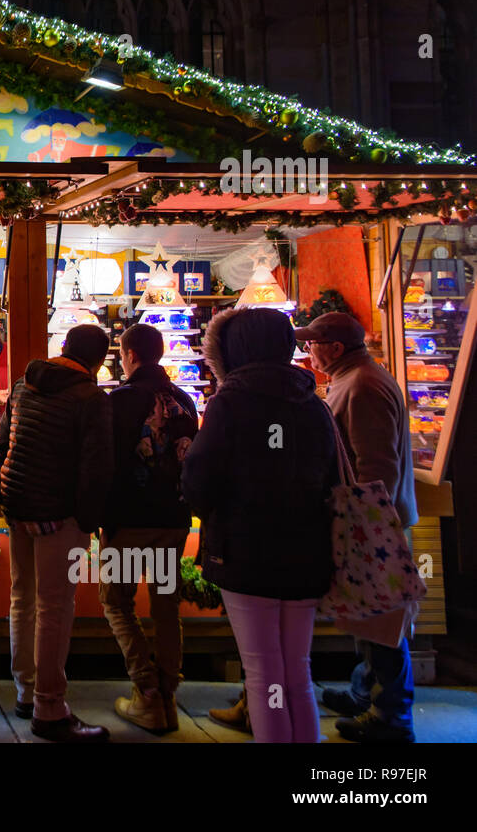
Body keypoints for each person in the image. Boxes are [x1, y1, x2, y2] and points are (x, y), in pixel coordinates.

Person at [182, 307, 339, 743]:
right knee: (298, 673)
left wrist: (208, 509)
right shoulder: (314, 403)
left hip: (247, 552)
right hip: (307, 552)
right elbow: (333, 477)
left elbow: (200, 478)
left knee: (264, 674)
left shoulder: (229, 402)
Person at [296, 311, 418, 744]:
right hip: (372, 518)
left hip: (373, 522)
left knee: (383, 621)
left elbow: (375, 466)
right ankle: (365, 693)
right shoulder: (359, 377)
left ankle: (391, 716)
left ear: (335, 348)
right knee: (370, 616)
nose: (307, 350)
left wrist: (362, 523)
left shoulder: (363, 385)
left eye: (312, 343)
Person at [0, 323, 114, 742]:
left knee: (22, 598)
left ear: (62, 348)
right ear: (99, 361)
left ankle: (25, 691)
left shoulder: (25, 385)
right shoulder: (90, 397)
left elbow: (0, 444)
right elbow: (97, 466)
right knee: (55, 607)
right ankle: (49, 709)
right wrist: (87, 520)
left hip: (17, 503)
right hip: (57, 513)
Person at [101, 323, 199, 732]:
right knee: (165, 606)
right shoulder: (185, 400)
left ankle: (148, 692)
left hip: (129, 520)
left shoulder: (119, 401)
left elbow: (102, 460)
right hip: (174, 520)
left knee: (118, 603)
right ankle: (169, 697)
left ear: (130, 355)